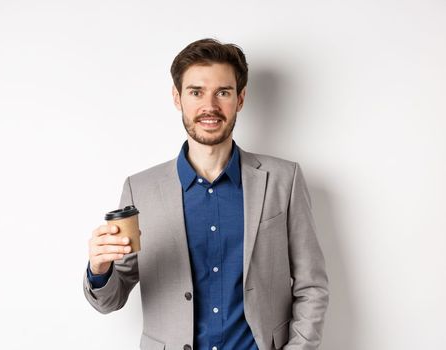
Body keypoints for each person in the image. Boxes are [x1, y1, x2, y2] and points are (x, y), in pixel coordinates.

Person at [82, 38, 329, 350]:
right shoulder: (141, 189)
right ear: (177, 98)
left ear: (240, 99)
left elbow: (312, 285)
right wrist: (99, 269)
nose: (209, 106)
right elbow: (110, 300)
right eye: (196, 92)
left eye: (222, 92)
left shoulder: (284, 179)